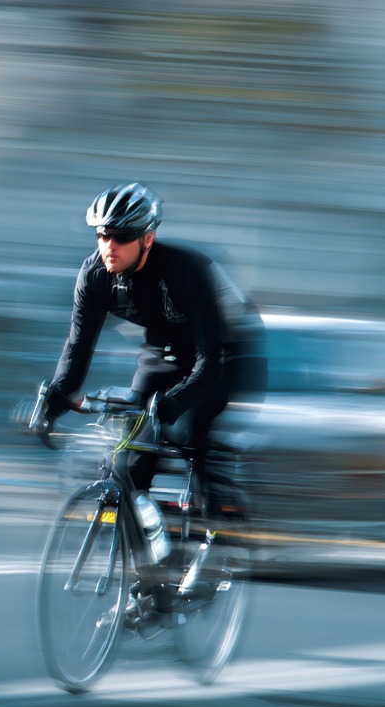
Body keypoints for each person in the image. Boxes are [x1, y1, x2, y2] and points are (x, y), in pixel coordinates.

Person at [34, 182, 251, 577]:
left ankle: (218, 542)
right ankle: (151, 574)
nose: (108, 245)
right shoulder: (96, 275)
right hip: (164, 351)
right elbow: (77, 347)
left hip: (228, 352)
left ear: (147, 238)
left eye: (120, 237)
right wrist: (57, 400)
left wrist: (173, 404)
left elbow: (209, 362)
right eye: (102, 235)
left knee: (190, 429)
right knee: (131, 457)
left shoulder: (187, 272)